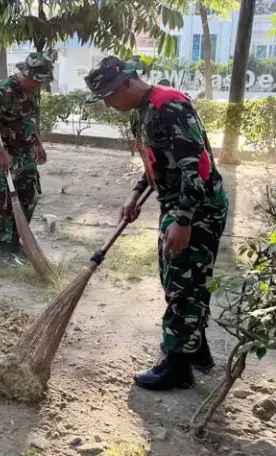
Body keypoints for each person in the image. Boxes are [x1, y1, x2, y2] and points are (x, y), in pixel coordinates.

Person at [84, 56, 228, 391]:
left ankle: (178, 368)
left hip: (197, 209)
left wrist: (184, 219)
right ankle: (196, 350)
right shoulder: (142, 112)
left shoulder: (169, 106)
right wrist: (135, 194)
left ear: (126, 83)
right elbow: (158, 163)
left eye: (108, 95)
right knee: (177, 279)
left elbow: (196, 165)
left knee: (182, 283)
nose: (107, 103)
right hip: (177, 205)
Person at [0, 53, 51, 267]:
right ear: (27, 75)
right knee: (2, 201)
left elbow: (28, 119)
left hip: (25, 153)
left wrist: (38, 143)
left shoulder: (33, 91)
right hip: (3, 153)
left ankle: (15, 242)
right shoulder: (4, 90)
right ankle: (3, 249)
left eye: (42, 81)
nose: (39, 86)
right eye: (37, 80)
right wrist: (0, 152)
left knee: (29, 196)